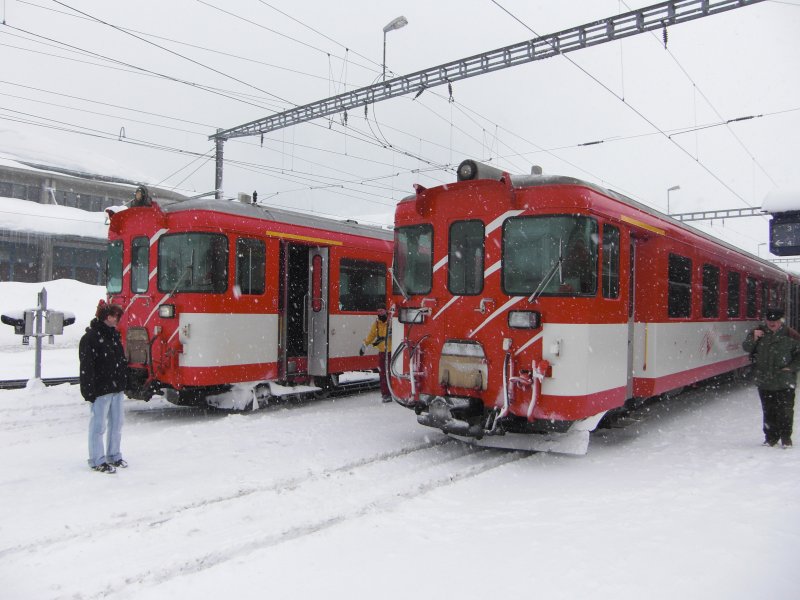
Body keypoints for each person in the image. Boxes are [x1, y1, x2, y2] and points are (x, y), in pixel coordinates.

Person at [79, 300, 129, 473]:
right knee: (98, 426)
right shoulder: (91, 338)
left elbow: (120, 361)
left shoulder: (112, 335)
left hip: (114, 388)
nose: (118, 320)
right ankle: (96, 459)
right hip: (101, 389)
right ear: (108, 317)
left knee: (117, 423)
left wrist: (122, 381)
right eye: (116, 316)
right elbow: (87, 366)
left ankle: (113, 455)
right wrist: (88, 390)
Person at [742, 307, 800, 448]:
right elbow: (746, 347)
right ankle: (770, 438)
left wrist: (791, 367)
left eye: (775, 320)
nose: (772, 323)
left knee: (786, 410)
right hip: (765, 380)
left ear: (781, 320)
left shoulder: (790, 335)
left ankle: (786, 438)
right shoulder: (758, 333)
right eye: (769, 320)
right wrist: (754, 338)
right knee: (769, 410)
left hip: (785, 380)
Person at [361, 308, 391, 402]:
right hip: (382, 352)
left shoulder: (391, 322)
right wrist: (364, 345)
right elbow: (371, 335)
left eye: (381, 310)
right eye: (378, 311)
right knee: (383, 373)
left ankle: (393, 392)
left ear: (386, 311)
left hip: (392, 352)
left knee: (390, 373)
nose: (380, 313)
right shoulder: (377, 324)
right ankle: (386, 394)